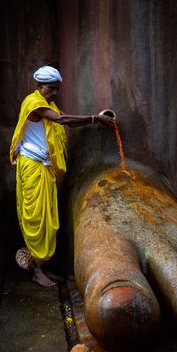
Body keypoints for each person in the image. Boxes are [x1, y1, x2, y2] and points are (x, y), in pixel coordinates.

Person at [9, 65, 115, 287]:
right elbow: (62, 120)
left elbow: (61, 117)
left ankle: (43, 267)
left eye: (57, 89)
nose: (55, 93)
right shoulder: (34, 103)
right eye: (52, 88)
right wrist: (95, 119)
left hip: (44, 167)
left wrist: (93, 118)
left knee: (48, 220)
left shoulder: (48, 103)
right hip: (32, 167)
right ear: (40, 86)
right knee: (36, 218)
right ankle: (37, 271)